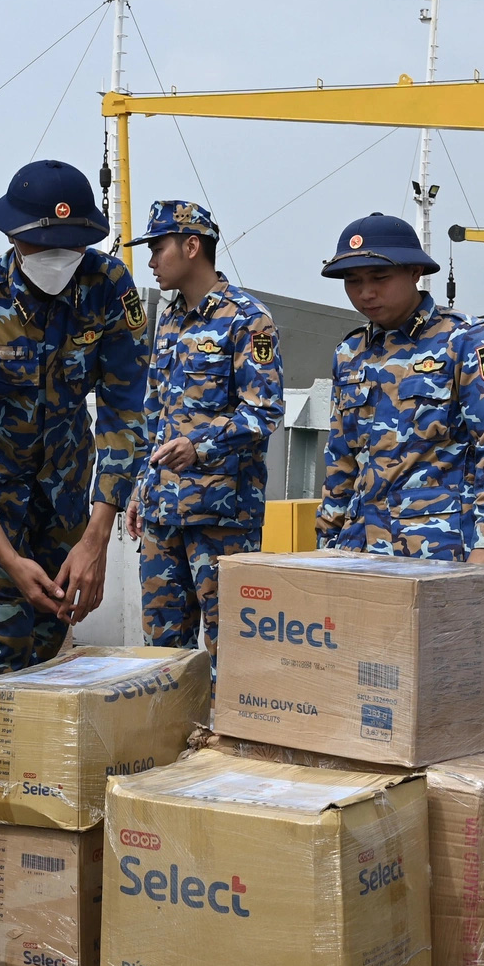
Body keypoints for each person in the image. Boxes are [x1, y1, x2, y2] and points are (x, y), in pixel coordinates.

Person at [314, 213, 484, 744]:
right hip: (364, 541)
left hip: (443, 541)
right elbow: (341, 453)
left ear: (414, 273)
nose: (365, 293)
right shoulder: (350, 352)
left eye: (378, 279)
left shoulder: (467, 342)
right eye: (353, 281)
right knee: (375, 666)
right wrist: (327, 541)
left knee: (483, 659)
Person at [0, 159, 146, 677]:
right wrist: (5, 555)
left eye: (70, 247)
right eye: (43, 246)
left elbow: (125, 409)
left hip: (68, 503)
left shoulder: (107, 285)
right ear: (12, 236)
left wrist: (95, 540)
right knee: (3, 660)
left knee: (48, 652)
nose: (57, 259)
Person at [122, 200, 282, 661]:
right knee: (161, 650)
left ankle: (217, 736)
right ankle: (171, 735)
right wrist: (140, 489)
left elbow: (264, 409)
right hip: (162, 514)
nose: (151, 260)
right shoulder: (169, 320)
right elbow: (154, 412)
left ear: (192, 246)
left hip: (220, 515)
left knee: (228, 646)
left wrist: (199, 446)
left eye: (158, 247)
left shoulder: (248, 319)